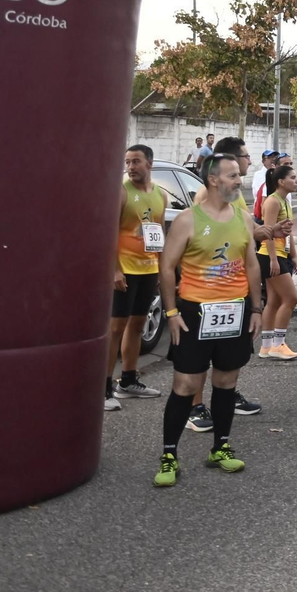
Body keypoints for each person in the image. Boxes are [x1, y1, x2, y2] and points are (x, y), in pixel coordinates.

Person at [151, 153, 261, 486]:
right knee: (185, 385)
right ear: (213, 180)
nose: (238, 180)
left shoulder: (243, 218)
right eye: (231, 176)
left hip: (235, 311)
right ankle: (169, 455)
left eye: (237, 176)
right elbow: (167, 268)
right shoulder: (188, 219)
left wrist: (256, 309)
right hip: (195, 313)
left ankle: (221, 447)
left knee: (226, 382)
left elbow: (252, 265)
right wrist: (171, 312)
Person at [108, 145, 168, 409]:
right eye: (127, 162)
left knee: (137, 325)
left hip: (148, 269)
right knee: (115, 329)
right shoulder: (121, 192)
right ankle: (104, 387)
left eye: (136, 162)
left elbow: (158, 233)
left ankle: (128, 381)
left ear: (149, 164)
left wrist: (160, 268)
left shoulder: (160, 195)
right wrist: (114, 269)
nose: (131, 167)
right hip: (125, 270)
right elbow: (107, 232)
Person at [254, 164, 297, 360]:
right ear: (281, 182)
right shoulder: (273, 202)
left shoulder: (285, 201)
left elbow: (288, 232)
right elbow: (267, 232)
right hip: (270, 255)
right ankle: (278, 344)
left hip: (282, 255)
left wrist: (294, 256)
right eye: (293, 177)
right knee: (291, 298)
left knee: (274, 301)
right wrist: (274, 259)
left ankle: (266, 346)